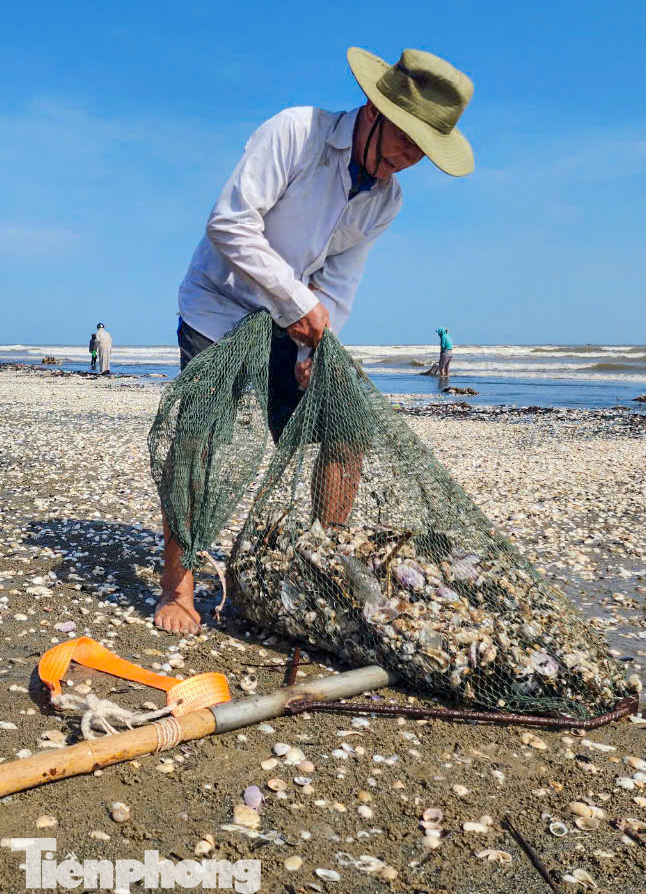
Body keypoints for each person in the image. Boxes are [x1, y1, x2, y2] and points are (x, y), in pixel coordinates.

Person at [156, 47, 475, 635]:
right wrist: (296, 304)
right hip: (219, 306)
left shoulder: (386, 200)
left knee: (346, 427)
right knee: (199, 439)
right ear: (375, 112)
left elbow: (339, 283)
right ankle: (177, 585)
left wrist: (311, 351)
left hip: (290, 323)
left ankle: (323, 565)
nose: (409, 159)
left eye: (424, 151)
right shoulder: (296, 132)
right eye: (407, 140)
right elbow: (230, 223)